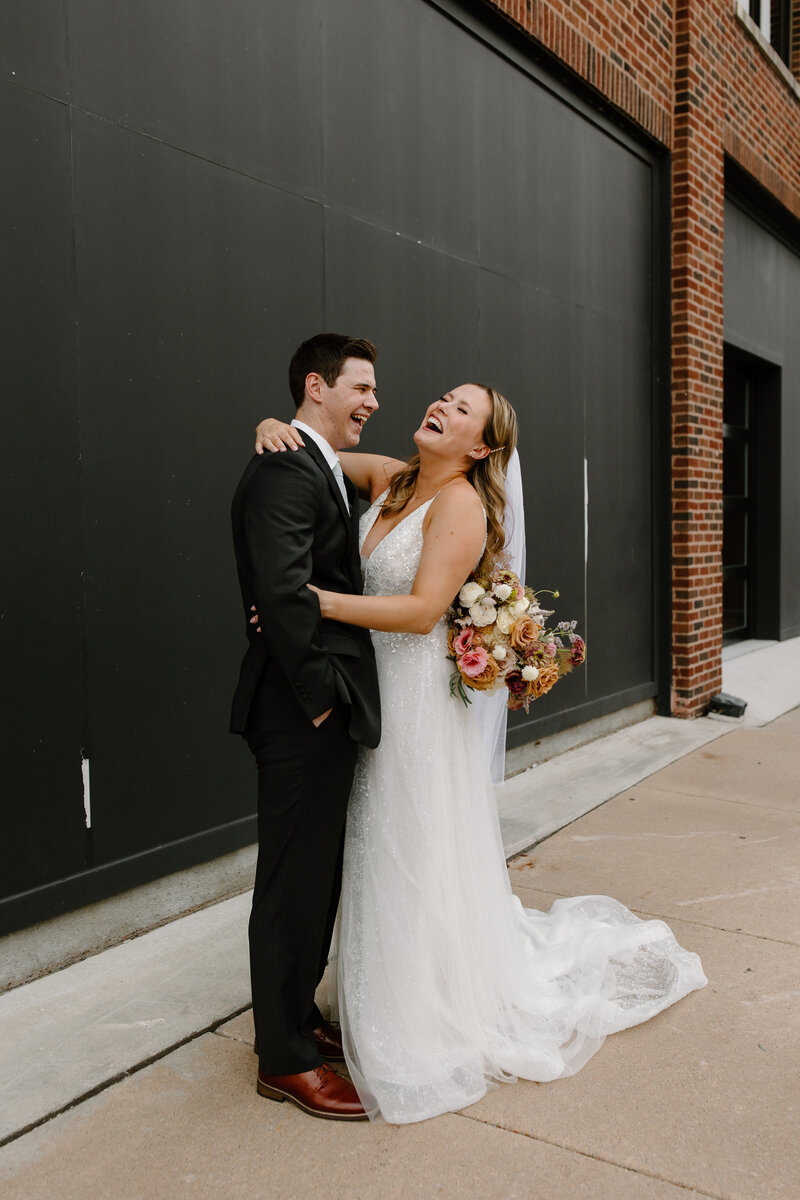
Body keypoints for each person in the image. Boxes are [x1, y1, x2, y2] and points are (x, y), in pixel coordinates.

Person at [254, 384, 707, 1125]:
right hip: (370, 695)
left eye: (462, 409)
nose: (442, 406)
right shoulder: (390, 477)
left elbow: (422, 611)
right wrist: (275, 423)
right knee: (370, 844)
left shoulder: (461, 504)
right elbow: (317, 449)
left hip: (413, 706)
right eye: (443, 396)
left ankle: (416, 1007)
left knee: (406, 842)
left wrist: (314, 602)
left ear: (482, 447)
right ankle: (368, 992)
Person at [230, 333, 382, 1121]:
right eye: (361, 388)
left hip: (317, 707)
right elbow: (285, 593)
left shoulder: (311, 459)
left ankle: (298, 1016)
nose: (374, 402)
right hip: (298, 710)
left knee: (315, 874)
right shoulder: (285, 467)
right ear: (317, 387)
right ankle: (283, 1059)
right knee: (291, 883)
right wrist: (323, 699)